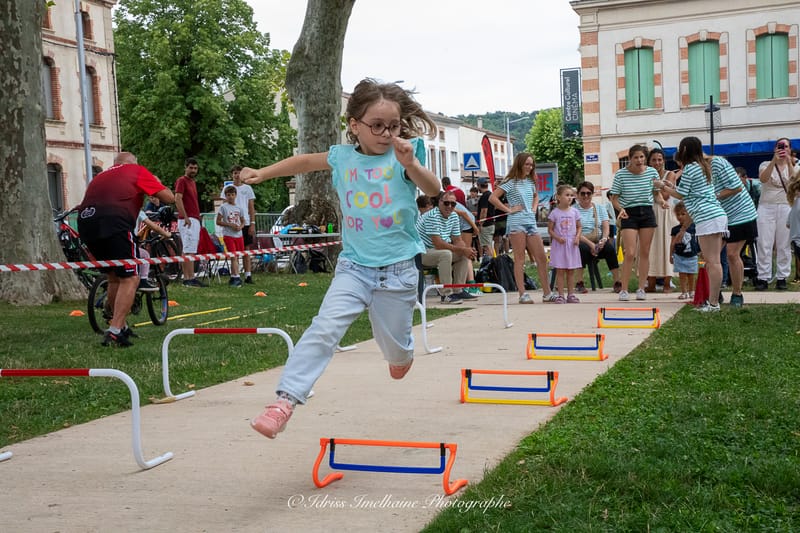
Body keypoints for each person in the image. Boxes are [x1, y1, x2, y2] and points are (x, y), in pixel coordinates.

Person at [239, 78, 441, 439]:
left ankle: (401, 356)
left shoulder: (409, 153)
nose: (385, 133)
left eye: (392, 126)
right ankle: (284, 401)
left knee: (394, 347)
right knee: (324, 328)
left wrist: (410, 163)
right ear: (355, 125)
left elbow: (433, 189)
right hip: (354, 267)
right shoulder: (342, 157)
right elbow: (303, 162)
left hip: (398, 271)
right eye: (376, 126)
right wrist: (263, 173)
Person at [76, 152, 175, 347]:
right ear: (132, 163)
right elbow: (169, 198)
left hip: (86, 222)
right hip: (115, 220)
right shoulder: (135, 170)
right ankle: (114, 331)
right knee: (131, 277)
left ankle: (119, 326)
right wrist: (155, 181)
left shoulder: (101, 175)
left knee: (114, 276)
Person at [661, 136, 728, 312]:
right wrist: (670, 185)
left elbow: (681, 195)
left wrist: (662, 186)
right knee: (712, 261)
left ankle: (714, 303)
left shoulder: (690, 168)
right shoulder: (704, 166)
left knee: (712, 262)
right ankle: (713, 301)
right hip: (714, 215)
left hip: (707, 217)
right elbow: (690, 192)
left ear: (684, 150)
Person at [490, 152, 557, 304]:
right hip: (517, 221)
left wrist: (534, 208)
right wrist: (508, 209)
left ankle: (547, 292)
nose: (529, 167)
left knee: (541, 257)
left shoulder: (530, 181)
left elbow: (536, 196)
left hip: (530, 221)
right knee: (520, 259)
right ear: (519, 163)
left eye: (531, 164)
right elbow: (493, 197)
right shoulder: (510, 181)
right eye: (527, 163)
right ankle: (522, 293)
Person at [609, 144, 660, 301]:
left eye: (642, 157)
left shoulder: (652, 172)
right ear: (630, 159)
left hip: (646, 212)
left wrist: (662, 201)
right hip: (629, 213)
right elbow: (614, 198)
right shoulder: (621, 175)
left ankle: (641, 288)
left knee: (644, 252)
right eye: (636, 157)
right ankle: (624, 289)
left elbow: (656, 194)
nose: (639, 160)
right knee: (630, 252)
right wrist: (620, 209)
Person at [712, 156, 758, 307]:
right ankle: (715, 292)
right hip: (721, 216)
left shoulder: (718, 163)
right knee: (711, 256)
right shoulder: (695, 172)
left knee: (732, 254)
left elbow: (737, 187)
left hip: (741, 215)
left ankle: (737, 294)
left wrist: (715, 196)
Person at [417, 190, 477, 304]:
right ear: (439, 202)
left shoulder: (454, 216)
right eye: (446, 203)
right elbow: (438, 244)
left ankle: (458, 290)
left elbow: (457, 240)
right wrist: (462, 249)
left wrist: (466, 250)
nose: (449, 206)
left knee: (463, 254)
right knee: (446, 254)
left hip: (436, 250)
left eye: (453, 204)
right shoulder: (432, 216)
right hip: (421, 252)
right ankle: (446, 294)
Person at [755, 138, 798, 290]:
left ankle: (782, 277)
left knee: (784, 243)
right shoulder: (765, 164)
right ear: (775, 148)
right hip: (766, 206)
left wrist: (788, 162)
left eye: (786, 146)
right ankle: (763, 277)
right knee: (764, 243)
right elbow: (763, 178)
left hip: (786, 206)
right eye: (780, 146)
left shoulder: (794, 166)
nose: (783, 149)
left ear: (790, 149)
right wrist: (774, 160)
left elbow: (794, 182)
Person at [574, 181, 620, 293]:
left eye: (588, 193)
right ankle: (579, 282)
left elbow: (605, 227)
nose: (586, 196)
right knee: (582, 249)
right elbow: (575, 232)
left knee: (609, 249)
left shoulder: (599, 208)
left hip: (597, 240)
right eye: (583, 193)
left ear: (592, 194)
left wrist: (603, 241)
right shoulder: (573, 210)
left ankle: (617, 282)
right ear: (578, 195)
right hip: (580, 240)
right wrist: (591, 245)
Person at [645, 148, 677, 293]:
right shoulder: (645, 174)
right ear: (649, 161)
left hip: (665, 213)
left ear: (663, 160)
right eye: (653, 160)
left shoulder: (669, 174)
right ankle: (650, 282)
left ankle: (667, 282)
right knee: (650, 247)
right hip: (649, 212)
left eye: (659, 159)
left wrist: (654, 188)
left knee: (666, 245)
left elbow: (665, 195)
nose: (657, 162)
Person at [220, 165, 256, 284]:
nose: (237, 175)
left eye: (239, 173)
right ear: (232, 175)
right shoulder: (227, 188)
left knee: (246, 249)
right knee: (233, 251)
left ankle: (248, 274)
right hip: (231, 224)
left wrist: (252, 223)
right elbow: (224, 207)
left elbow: (251, 206)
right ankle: (235, 274)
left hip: (244, 221)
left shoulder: (247, 188)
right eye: (235, 173)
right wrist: (227, 222)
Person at [547, 185, 582, 303]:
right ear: (558, 197)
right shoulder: (554, 213)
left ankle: (571, 294)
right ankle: (561, 294)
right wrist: (557, 237)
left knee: (571, 271)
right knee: (560, 270)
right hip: (560, 245)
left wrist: (577, 237)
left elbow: (579, 226)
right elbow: (550, 230)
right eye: (567, 195)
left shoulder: (575, 212)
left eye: (571, 195)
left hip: (571, 244)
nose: (570, 198)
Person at [175, 157, 206, 287]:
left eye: (195, 168)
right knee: (188, 249)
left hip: (194, 217)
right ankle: (188, 278)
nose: (193, 170)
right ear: (186, 167)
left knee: (191, 248)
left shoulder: (193, 182)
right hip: (187, 219)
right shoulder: (182, 181)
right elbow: (177, 198)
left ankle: (189, 276)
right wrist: (185, 216)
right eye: (191, 168)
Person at [216, 185, 246, 287]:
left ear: (235, 195)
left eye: (232, 194)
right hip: (228, 235)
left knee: (237, 256)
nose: (230, 197)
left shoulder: (239, 208)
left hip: (238, 235)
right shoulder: (223, 207)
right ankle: (237, 277)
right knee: (232, 256)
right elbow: (218, 221)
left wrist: (241, 226)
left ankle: (234, 275)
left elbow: (243, 220)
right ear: (225, 196)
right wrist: (229, 225)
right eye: (228, 195)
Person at [669, 201, 699, 300]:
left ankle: (692, 291)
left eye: (683, 214)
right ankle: (684, 292)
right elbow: (673, 243)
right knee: (682, 274)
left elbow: (698, 240)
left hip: (692, 255)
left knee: (691, 275)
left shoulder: (694, 227)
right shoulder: (675, 229)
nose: (680, 217)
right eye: (678, 214)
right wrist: (671, 254)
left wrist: (701, 251)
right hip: (679, 255)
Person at [475, 178, 496, 258]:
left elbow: (484, 211)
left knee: (486, 247)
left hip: (486, 225)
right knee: (489, 245)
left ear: (479, 185)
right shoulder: (491, 194)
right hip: (491, 223)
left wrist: (480, 224)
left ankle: (491, 264)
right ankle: (492, 263)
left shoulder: (484, 196)